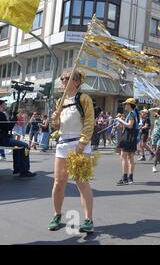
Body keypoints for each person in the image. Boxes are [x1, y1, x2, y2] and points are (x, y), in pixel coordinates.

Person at [48, 69, 95, 232]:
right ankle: (57, 215)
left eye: (65, 78)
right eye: (62, 78)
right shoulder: (60, 100)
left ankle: (88, 219)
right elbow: (57, 125)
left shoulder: (84, 98)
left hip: (79, 144)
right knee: (58, 182)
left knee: (82, 182)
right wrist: (55, 119)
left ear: (75, 81)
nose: (62, 81)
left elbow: (89, 122)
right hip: (62, 144)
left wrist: (82, 143)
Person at [0, 100, 35, 178]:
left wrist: (13, 117)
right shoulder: (1, 114)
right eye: (4, 104)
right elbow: (8, 127)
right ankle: (24, 171)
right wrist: (15, 118)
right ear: (1, 105)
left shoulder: (2, 114)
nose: (5, 105)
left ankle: (18, 168)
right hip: (3, 139)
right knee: (25, 146)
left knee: (17, 147)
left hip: (3, 138)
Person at [116, 98, 140, 185]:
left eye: (125, 104)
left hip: (129, 136)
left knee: (123, 156)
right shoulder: (134, 113)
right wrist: (122, 121)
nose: (124, 105)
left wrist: (120, 120)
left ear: (129, 105)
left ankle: (125, 178)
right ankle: (130, 178)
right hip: (132, 137)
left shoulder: (132, 114)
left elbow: (130, 125)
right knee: (130, 157)